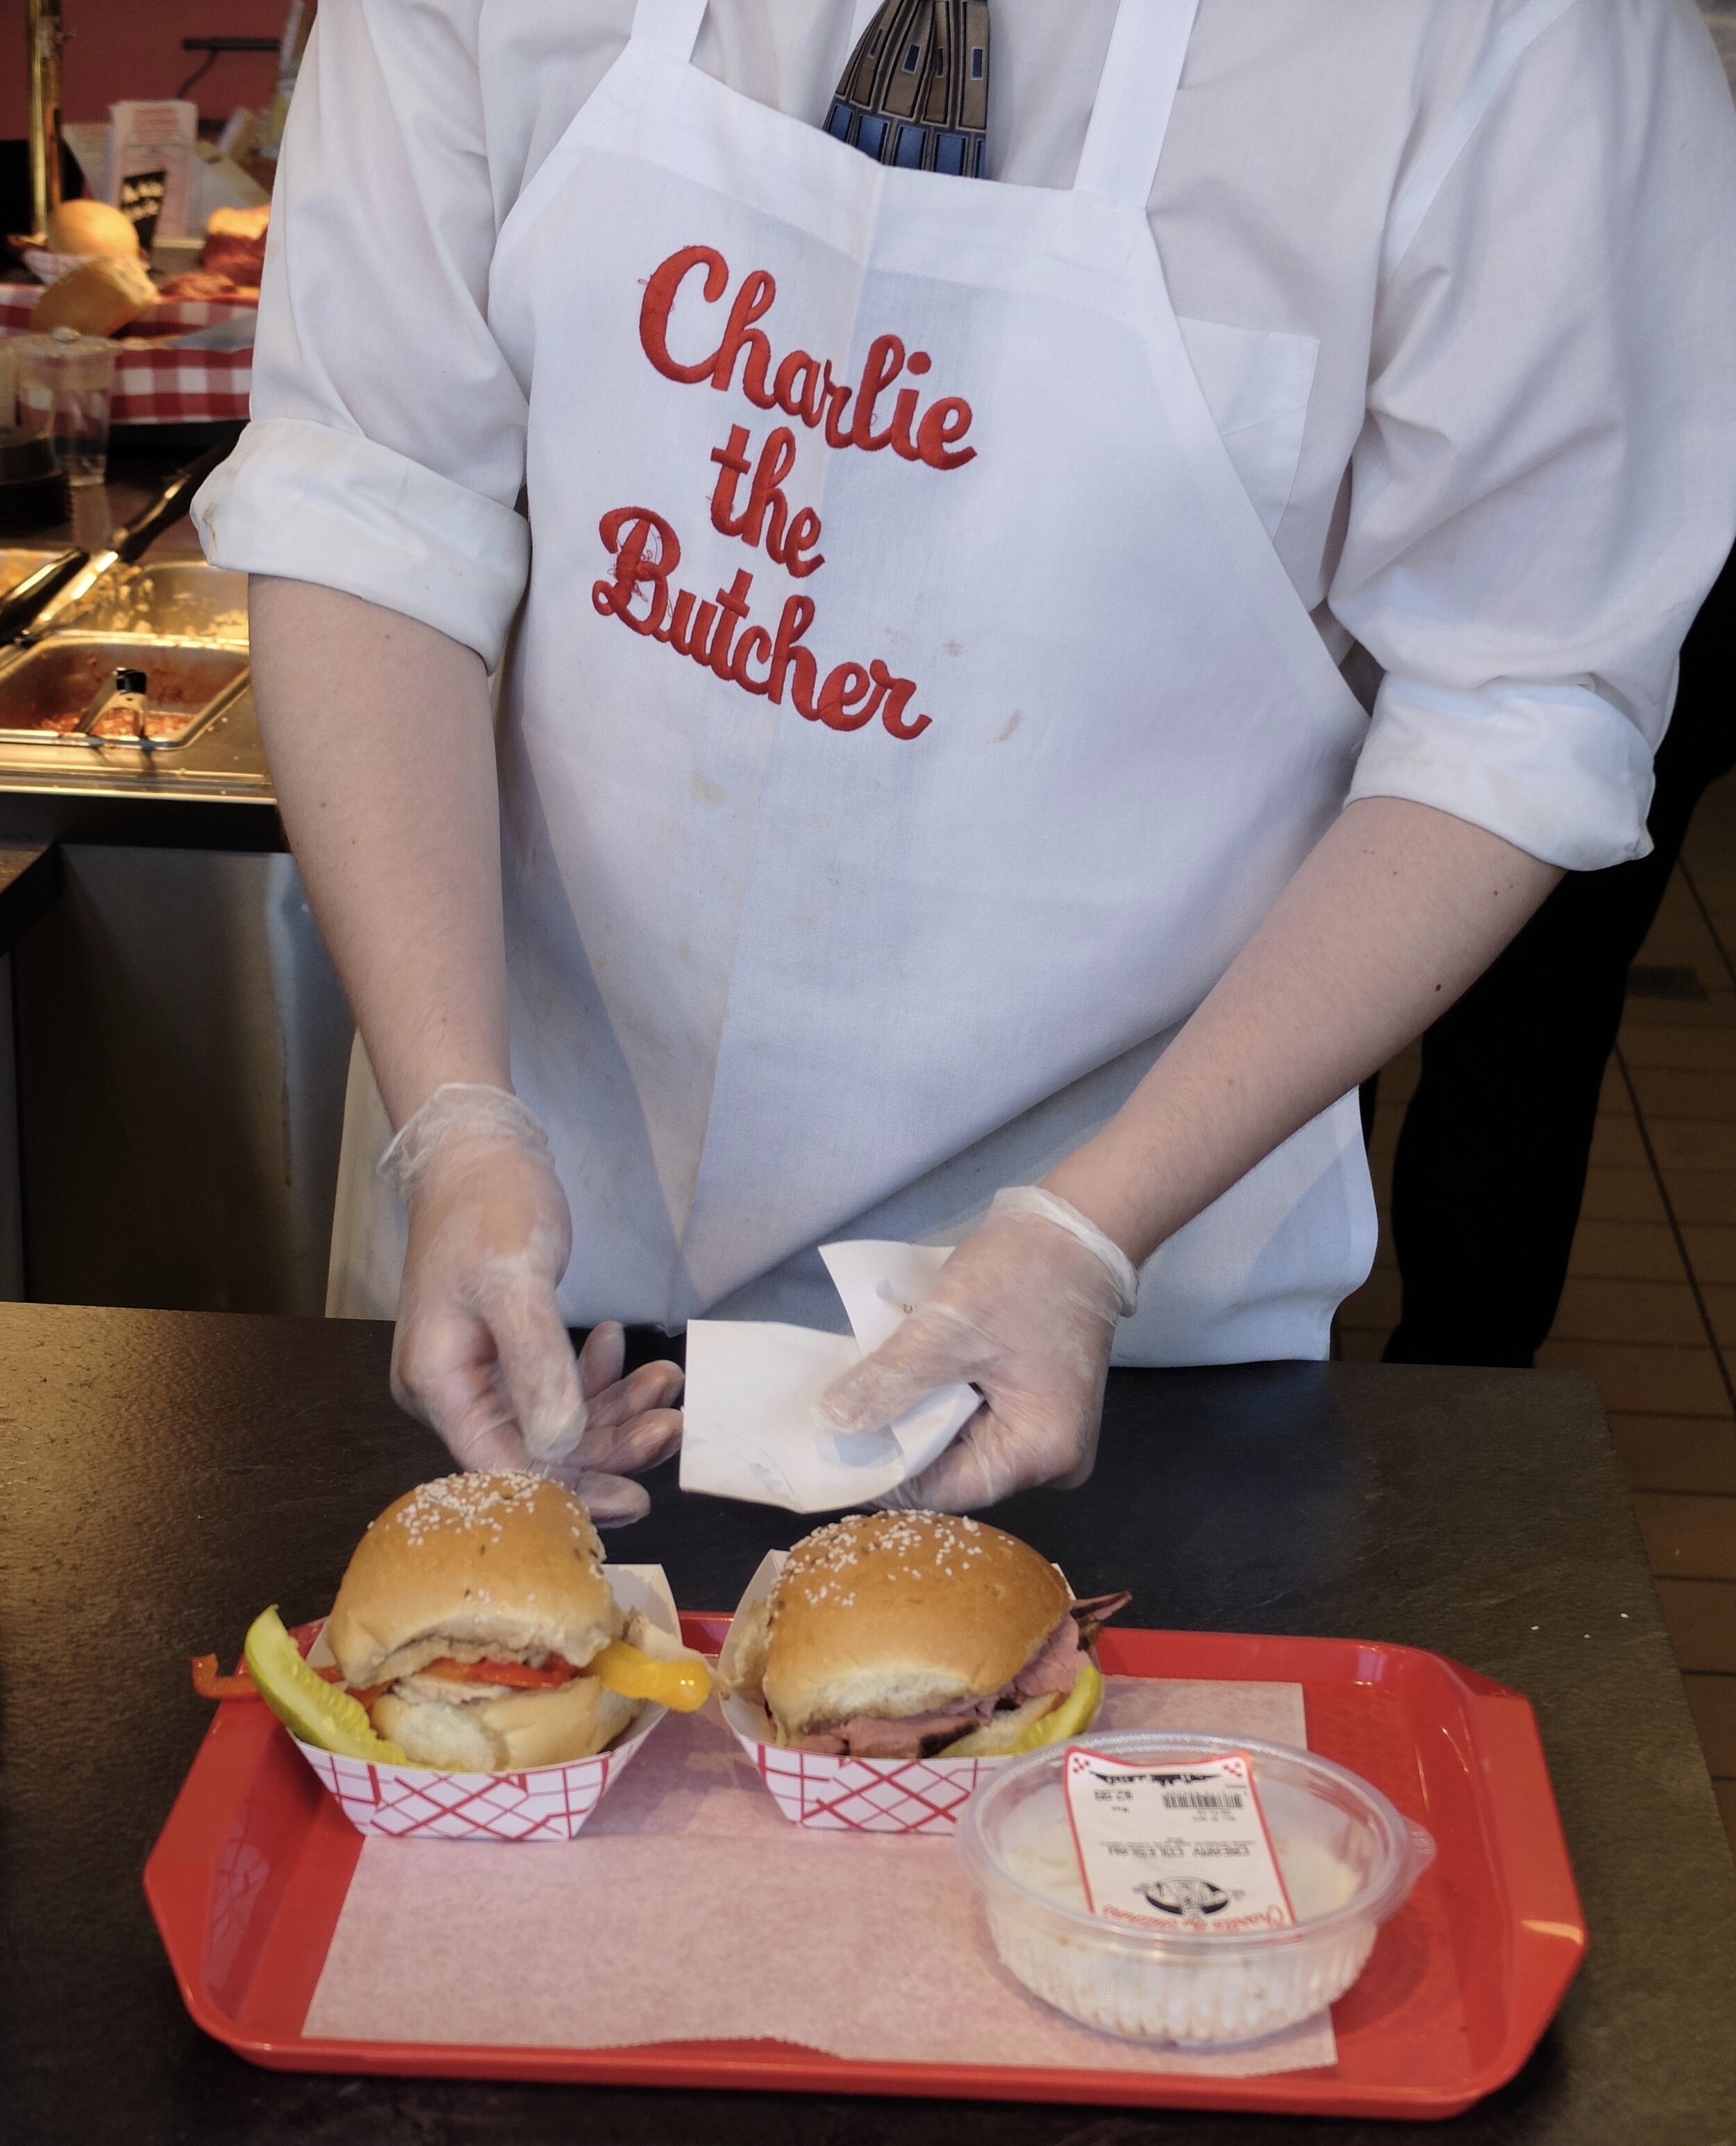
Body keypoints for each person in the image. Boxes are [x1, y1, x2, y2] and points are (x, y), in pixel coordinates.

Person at [193, 0, 1736, 1520]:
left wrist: (1094, 1231)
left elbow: (1512, 696)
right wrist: (454, 1116)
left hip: (1114, 1327)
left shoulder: (1521, 43)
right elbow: (371, 504)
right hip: (519, 1282)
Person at [1382, 541, 1736, 1368]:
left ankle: (1459, 1405)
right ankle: (1452, 1401)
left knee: (1524, 1052)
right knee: (1520, 1055)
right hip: (1616, 627)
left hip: (1634, 645)